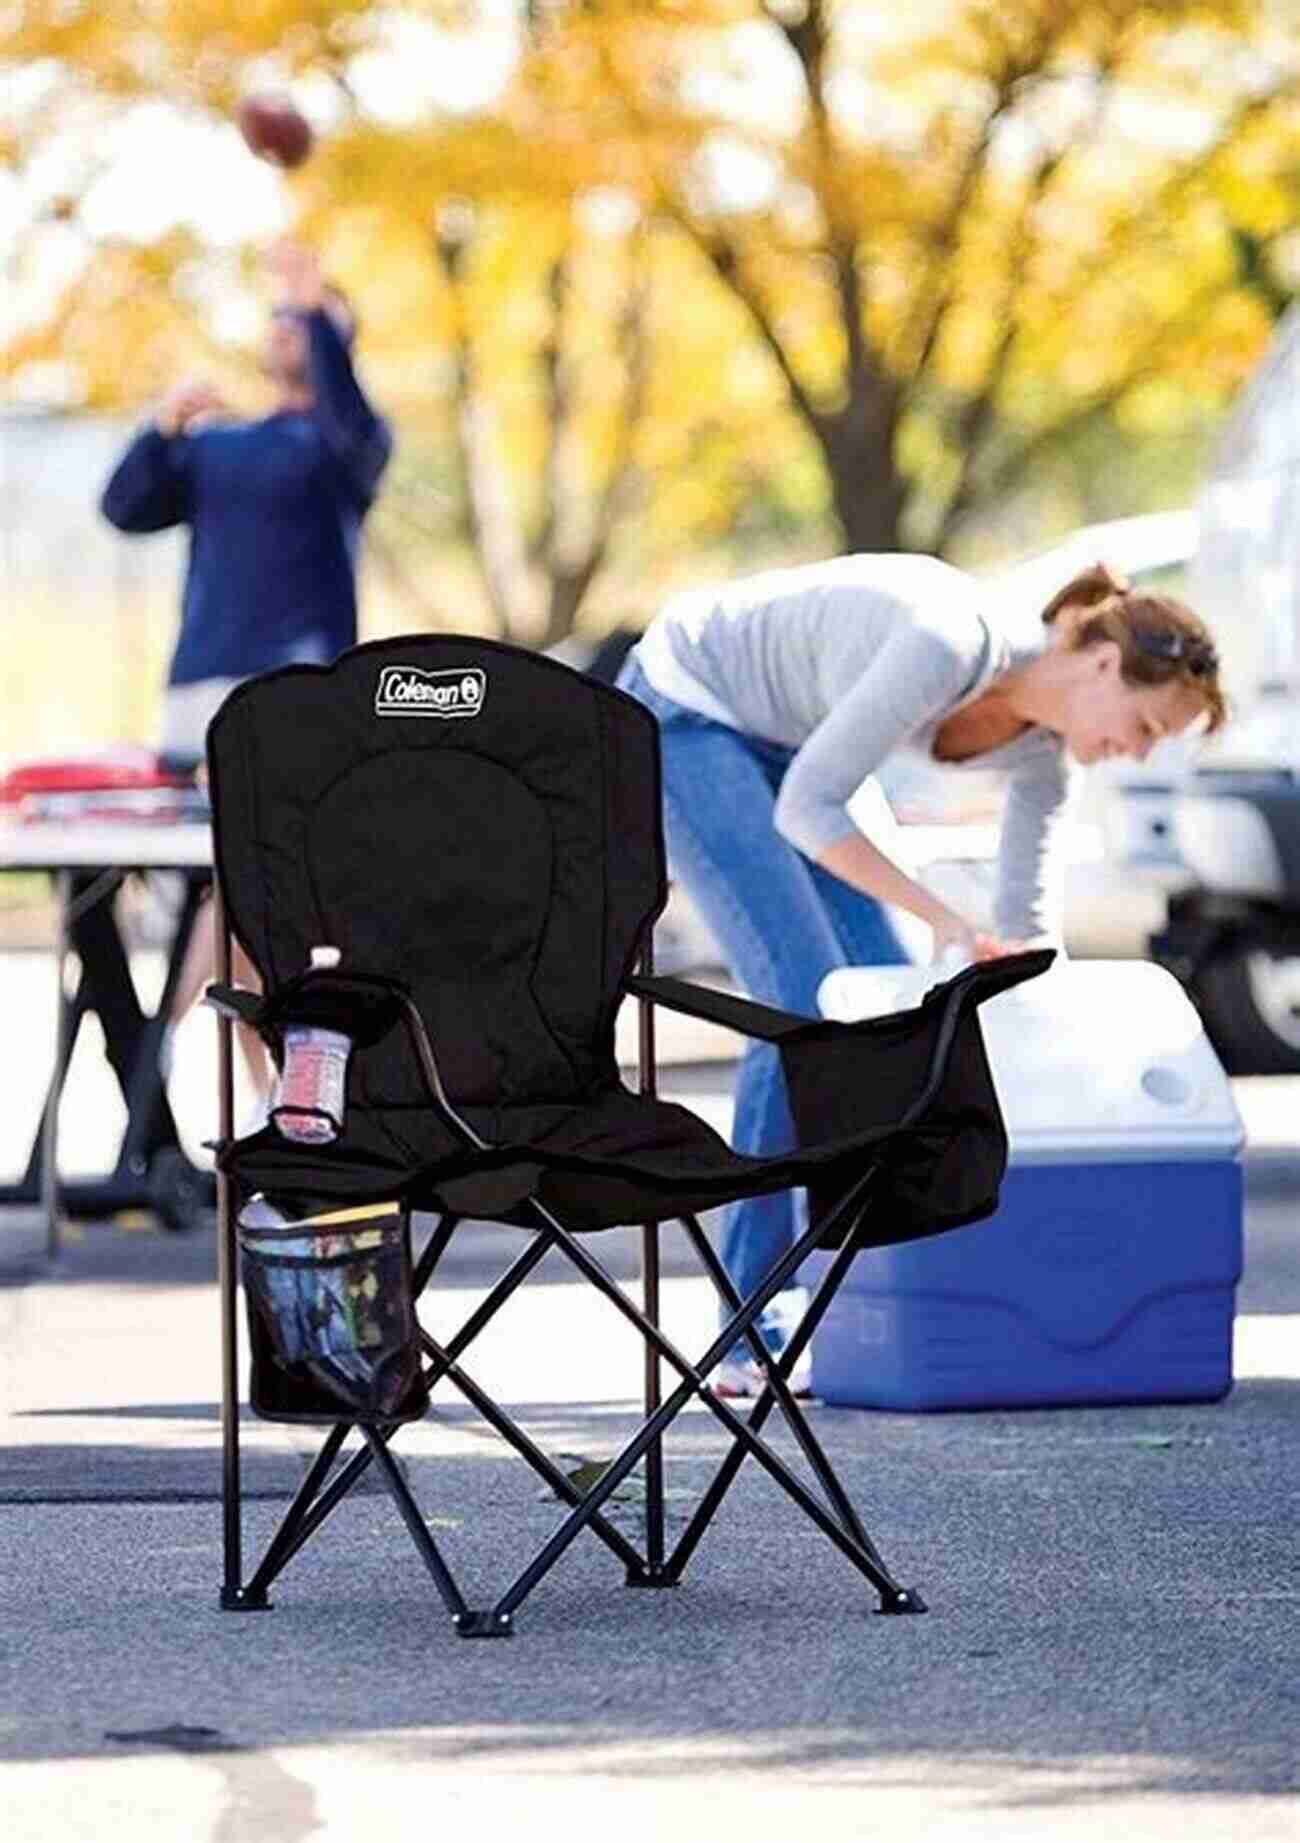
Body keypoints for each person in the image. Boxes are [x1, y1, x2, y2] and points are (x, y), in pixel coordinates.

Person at [618, 552, 1226, 1396]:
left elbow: (1026, 939)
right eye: (1148, 726)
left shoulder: (1045, 760)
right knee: (802, 1005)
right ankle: (743, 1326)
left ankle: (847, 1294)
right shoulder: (947, 641)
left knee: (886, 1004)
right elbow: (808, 807)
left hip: (794, 742)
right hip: (689, 704)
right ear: (1100, 662)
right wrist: (943, 915)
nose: (1133, 753)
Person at [100, 240, 394, 1112]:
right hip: (198, 694)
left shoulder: (343, 445)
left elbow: (355, 428)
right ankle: (260, 1100)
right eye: (281, 315)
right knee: (226, 901)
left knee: (253, 896)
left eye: (309, 318)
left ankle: (175, 1076)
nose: (288, 326)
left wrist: (316, 306)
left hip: (294, 697)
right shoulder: (223, 444)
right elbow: (124, 508)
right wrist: (163, 427)